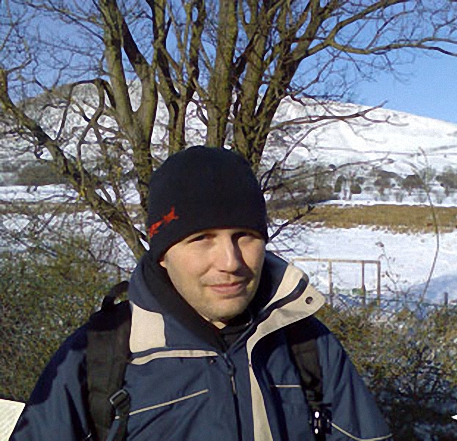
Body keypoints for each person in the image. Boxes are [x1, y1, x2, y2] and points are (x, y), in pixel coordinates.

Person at [10, 146, 391, 440]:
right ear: (163, 255)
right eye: (201, 239)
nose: (230, 261)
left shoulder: (307, 346)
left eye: (246, 236)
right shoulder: (100, 358)